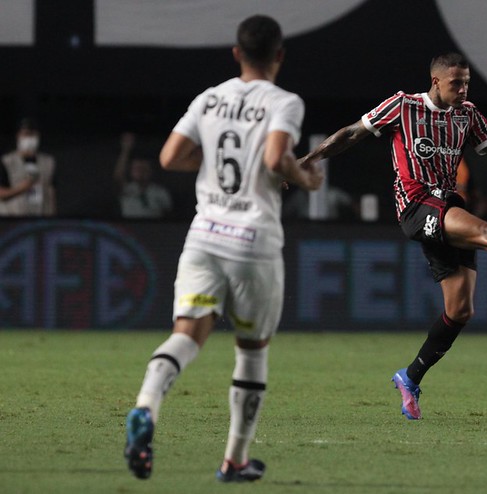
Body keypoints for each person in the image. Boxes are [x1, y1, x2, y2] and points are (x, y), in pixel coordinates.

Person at [298, 53, 487, 420]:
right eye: (455, 83)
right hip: (415, 206)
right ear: (435, 82)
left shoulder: (468, 114)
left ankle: (409, 378)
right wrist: (305, 162)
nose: (462, 90)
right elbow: (351, 133)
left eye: (466, 83)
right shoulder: (403, 106)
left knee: (460, 310)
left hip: (446, 204)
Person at [123, 15, 323, 482]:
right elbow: (276, 158)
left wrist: (207, 162)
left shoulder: (208, 98)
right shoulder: (284, 102)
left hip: (204, 236)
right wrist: (305, 177)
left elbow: (170, 157)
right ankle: (234, 459)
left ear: (236, 53)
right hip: (253, 242)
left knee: (186, 334)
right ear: (279, 56)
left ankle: (146, 408)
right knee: (251, 349)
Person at [0, 117, 57, 216]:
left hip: (41, 217)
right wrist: (22, 188)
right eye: (26, 134)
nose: (30, 138)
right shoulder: (7, 161)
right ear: (18, 136)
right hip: (12, 219)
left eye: (33, 135)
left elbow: (52, 192)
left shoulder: (48, 162)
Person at [114, 132, 174, 218]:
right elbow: (118, 176)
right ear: (131, 171)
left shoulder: (161, 192)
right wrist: (125, 149)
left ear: (150, 171)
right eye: (137, 169)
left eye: (144, 169)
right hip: (130, 227)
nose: (141, 172)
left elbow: (168, 213)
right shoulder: (127, 189)